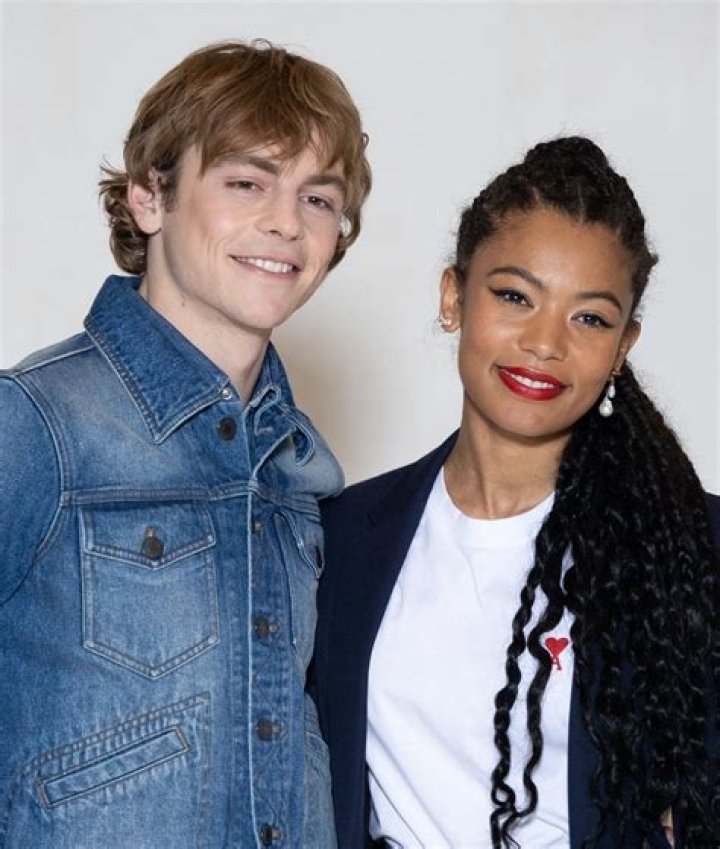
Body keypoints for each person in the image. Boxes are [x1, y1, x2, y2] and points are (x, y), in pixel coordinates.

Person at [0, 39, 370, 848]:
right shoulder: (36, 422)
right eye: (247, 183)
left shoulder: (299, 469)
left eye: (318, 198)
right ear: (149, 196)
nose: (286, 223)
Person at [314, 137, 719, 849]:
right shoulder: (342, 536)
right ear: (453, 297)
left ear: (623, 346)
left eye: (589, 318)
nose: (545, 342)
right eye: (514, 296)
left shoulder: (691, 547)